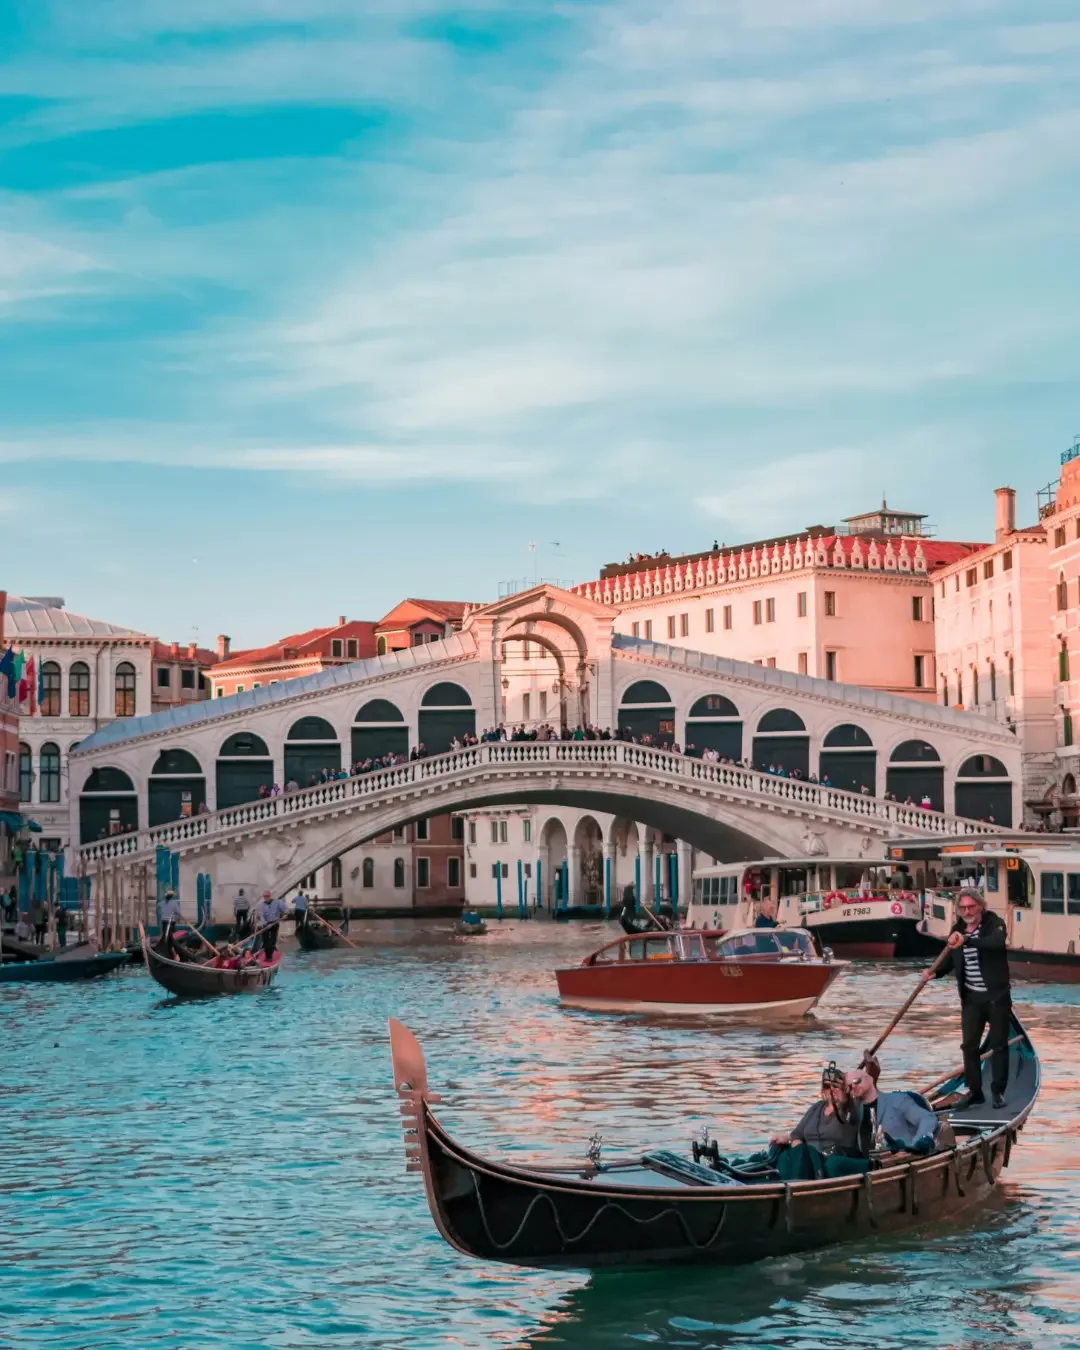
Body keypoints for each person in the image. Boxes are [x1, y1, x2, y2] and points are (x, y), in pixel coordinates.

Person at [921, 889, 1011, 1110]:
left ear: (981, 906)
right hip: (971, 998)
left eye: (971, 907)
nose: (967, 912)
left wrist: (968, 940)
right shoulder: (957, 930)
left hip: (996, 997)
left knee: (999, 1044)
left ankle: (998, 1091)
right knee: (969, 1045)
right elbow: (952, 958)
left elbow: (996, 943)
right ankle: (975, 1091)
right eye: (963, 908)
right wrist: (935, 972)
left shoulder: (994, 924)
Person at [769, 1063, 862, 1177]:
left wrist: (845, 1096)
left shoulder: (850, 1109)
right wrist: (790, 1139)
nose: (832, 1090)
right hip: (806, 1159)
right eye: (827, 1086)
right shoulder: (817, 1108)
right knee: (777, 1150)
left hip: (829, 1160)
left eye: (836, 1086)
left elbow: (861, 1101)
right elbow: (797, 1133)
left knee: (803, 1153)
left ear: (845, 1089)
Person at [846, 1065, 943, 1154]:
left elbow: (928, 1118)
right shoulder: (853, 1111)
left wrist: (915, 1145)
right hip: (868, 1165)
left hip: (902, 1161)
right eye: (849, 1086)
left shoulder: (897, 1100)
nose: (853, 1087)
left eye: (856, 1081)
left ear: (871, 1079)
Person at [252, 890, 289, 962]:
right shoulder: (262, 906)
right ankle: (267, 955)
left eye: (267, 896)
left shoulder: (278, 902)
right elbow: (261, 916)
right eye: (264, 896)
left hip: (275, 923)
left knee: (272, 941)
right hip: (266, 924)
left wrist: (286, 914)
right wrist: (266, 924)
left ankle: (269, 956)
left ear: (270, 896)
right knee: (265, 941)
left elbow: (286, 909)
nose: (266, 898)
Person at [159, 889, 182, 955]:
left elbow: (159, 906)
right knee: (171, 936)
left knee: (165, 934)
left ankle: (167, 948)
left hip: (164, 921)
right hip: (171, 922)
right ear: (172, 896)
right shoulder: (174, 903)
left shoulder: (162, 903)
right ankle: (172, 949)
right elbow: (178, 912)